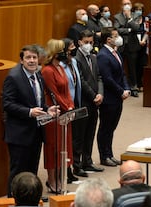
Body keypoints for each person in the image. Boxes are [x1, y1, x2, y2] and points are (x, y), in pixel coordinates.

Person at [3, 45, 59, 196]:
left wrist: (47, 110)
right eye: (28, 57)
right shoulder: (13, 77)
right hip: (19, 134)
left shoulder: (38, 75)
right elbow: (7, 104)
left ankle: (31, 198)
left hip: (36, 132)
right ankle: (13, 201)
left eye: (34, 57)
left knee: (32, 169)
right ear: (21, 60)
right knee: (18, 172)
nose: (32, 60)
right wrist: (29, 112)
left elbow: (38, 102)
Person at [42, 39, 75, 193]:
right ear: (55, 52)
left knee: (64, 147)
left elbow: (67, 90)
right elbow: (54, 93)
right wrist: (65, 107)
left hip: (65, 115)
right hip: (54, 115)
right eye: (61, 50)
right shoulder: (47, 70)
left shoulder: (61, 67)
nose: (65, 52)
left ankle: (61, 178)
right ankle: (51, 180)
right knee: (53, 148)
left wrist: (71, 106)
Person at [97, 27, 131, 167]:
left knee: (112, 127)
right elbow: (107, 78)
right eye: (115, 36)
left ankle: (109, 154)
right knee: (105, 128)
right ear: (108, 39)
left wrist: (127, 88)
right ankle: (104, 156)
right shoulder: (103, 55)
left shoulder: (116, 53)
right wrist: (120, 91)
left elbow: (122, 74)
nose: (118, 38)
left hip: (118, 97)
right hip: (109, 98)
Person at [73, 30, 104, 176]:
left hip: (95, 101)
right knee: (79, 135)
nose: (89, 45)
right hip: (83, 101)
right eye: (86, 42)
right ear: (79, 42)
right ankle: (77, 164)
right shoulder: (75, 58)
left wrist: (100, 94)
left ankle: (88, 161)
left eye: (91, 42)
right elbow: (81, 81)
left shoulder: (93, 57)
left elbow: (98, 77)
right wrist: (93, 95)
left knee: (90, 133)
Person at [60, 38, 82, 184]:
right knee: (65, 141)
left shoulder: (73, 62)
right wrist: (68, 105)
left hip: (76, 104)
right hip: (65, 107)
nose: (74, 48)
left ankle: (72, 167)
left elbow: (77, 83)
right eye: (72, 46)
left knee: (74, 138)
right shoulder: (60, 66)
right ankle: (66, 171)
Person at [114, 0, 142, 97]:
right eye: (124, 4)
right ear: (121, 6)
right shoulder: (117, 16)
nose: (126, 6)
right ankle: (120, 86)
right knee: (119, 67)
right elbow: (117, 29)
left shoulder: (135, 15)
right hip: (121, 46)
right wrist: (129, 30)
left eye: (128, 4)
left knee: (132, 67)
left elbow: (137, 27)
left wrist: (129, 18)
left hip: (132, 45)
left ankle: (134, 87)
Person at [131, 2, 149, 93]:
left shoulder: (146, 19)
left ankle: (141, 83)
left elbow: (147, 31)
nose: (139, 11)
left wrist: (143, 41)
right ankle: (136, 84)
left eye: (140, 10)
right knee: (135, 64)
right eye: (137, 10)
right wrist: (138, 42)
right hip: (134, 44)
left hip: (143, 43)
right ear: (133, 11)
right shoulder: (131, 19)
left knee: (142, 64)